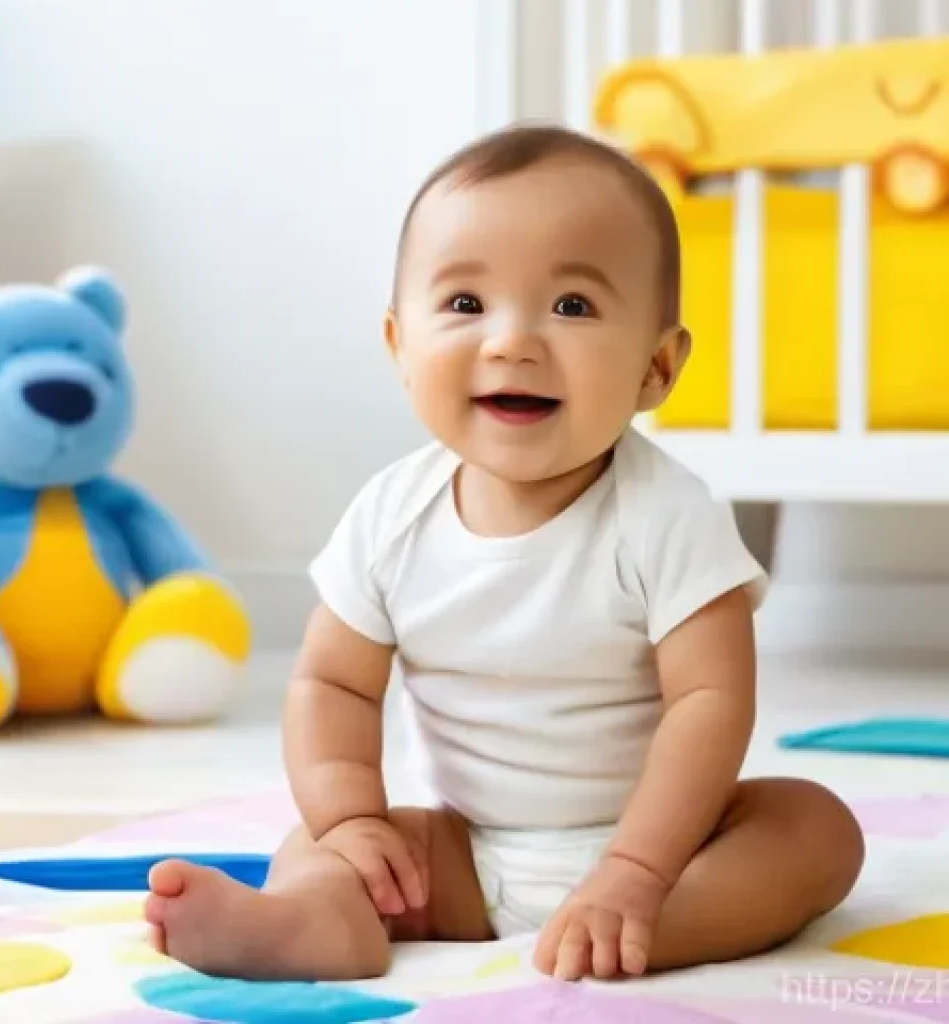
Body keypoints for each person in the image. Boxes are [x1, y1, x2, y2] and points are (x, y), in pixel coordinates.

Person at [142, 122, 864, 983]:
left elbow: (710, 703)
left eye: (572, 306)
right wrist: (351, 821)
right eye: (465, 305)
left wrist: (635, 869)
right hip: (463, 854)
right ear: (400, 347)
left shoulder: (668, 515)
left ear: (656, 368)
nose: (511, 342)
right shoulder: (390, 517)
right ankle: (317, 922)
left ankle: (640, 930)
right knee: (319, 845)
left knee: (815, 830)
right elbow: (332, 684)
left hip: (670, 848)